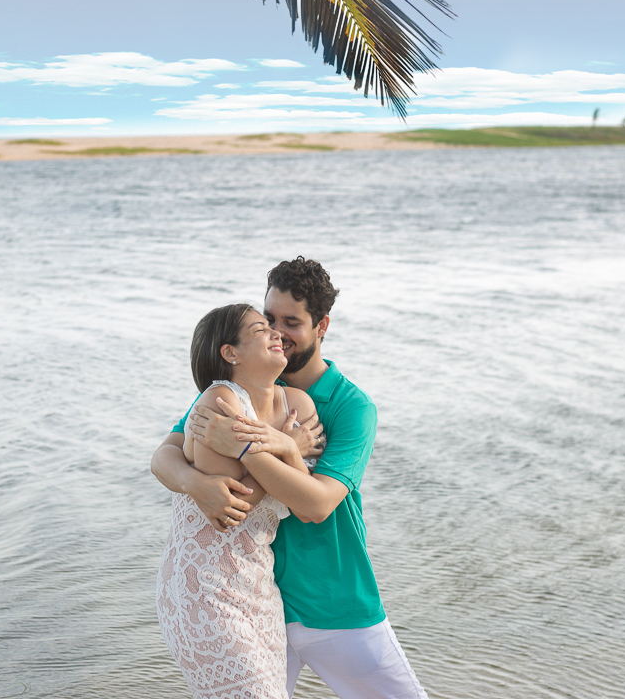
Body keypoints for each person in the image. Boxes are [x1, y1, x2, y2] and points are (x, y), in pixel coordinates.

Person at [152, 257, 429, 699]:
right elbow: (166, 453)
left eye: (292, 322)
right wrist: (195, 484)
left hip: (331, 595)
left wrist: (254, 447)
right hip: (250, 594)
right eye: (269, 320)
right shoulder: (237, 387)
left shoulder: (350, 406)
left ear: (322, 327)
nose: (278, 331)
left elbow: (317, 504)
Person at [156, 302, 317, 699]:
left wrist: (278, 447)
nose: (277, 334)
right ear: (231, 353)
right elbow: (231, 508)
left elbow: (303, 504)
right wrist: (284, 449)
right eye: (262, 329)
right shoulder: (219, 403)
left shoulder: (297, 404)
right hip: (202, 587)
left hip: (259, 588)